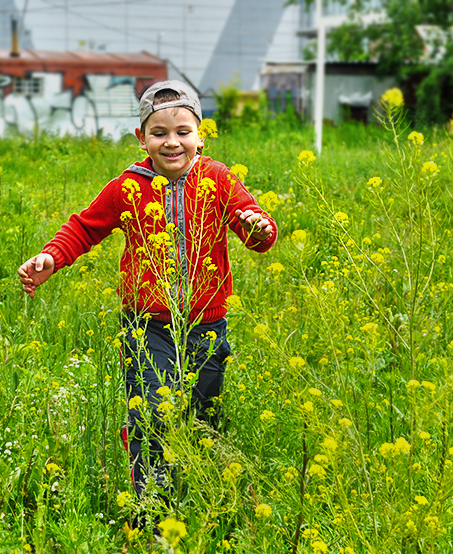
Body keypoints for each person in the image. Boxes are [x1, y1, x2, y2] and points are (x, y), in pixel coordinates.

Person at [17, 80, 277, 515]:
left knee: (201, 418)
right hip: (147, 325)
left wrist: (258, 227)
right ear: (142, 139)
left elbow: (250, 224)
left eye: (182, 131)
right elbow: (84, 227)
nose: (171, 142)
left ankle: (198, 498)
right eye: (159, 133)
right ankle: (152, 506)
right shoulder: (128, 186)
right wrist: (50, 257)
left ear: (200, 135)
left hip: (205, 326)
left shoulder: (217, 178)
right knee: (151, 411)